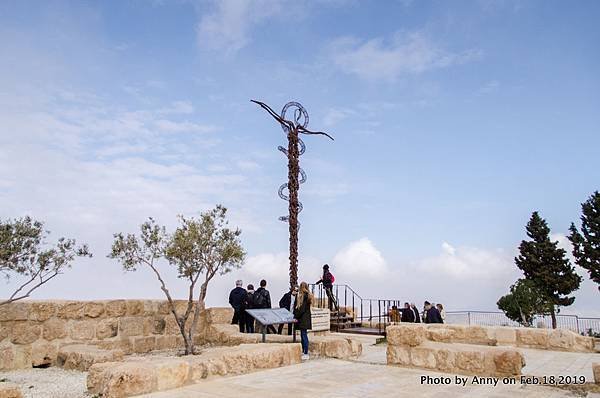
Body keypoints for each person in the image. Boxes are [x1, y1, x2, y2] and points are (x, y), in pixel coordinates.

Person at [294, 281, 313, 361]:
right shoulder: (308, 296)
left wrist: (296, 316)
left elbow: (301, 309)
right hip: (305, 318)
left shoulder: (303, 296)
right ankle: (304, 351)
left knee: (304, 335)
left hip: (303, 319)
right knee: (303, 335)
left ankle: (306, 352)